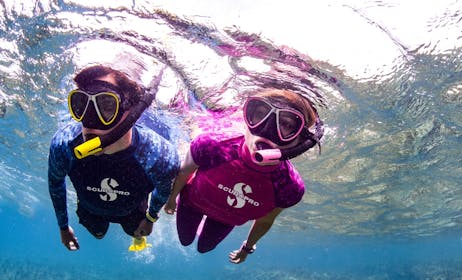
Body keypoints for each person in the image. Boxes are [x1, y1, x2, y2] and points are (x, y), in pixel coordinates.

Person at [164, 89, 324, 264]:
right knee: (185, 240)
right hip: (191, 204)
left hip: (225, 221)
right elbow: (184, 172)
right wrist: (172, 199)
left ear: (301, 142)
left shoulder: (289, 187)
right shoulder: (211, 146)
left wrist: (247, 247)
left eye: (286, 125)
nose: (266, 130)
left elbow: (265, 221)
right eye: (259, 115)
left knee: (205, 248)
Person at [48, 64, 180, 251]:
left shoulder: (159, 155)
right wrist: (63, 227)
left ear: (132, 113)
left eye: (107, 106)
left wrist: (150, 218)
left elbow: (163, 190)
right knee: (98, 234)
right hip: (90, 210)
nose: (89, 122)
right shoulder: (65, 145)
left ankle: (138, 238)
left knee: (135, 231)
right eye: (81, 104)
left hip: (133, 212)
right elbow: (55, 183)